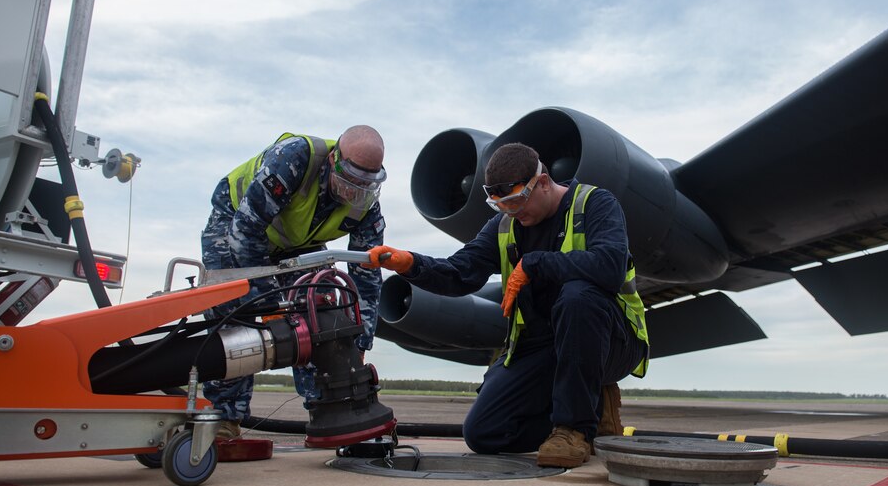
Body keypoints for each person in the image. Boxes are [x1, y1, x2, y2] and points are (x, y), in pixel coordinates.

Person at [366, 142, 648, 468]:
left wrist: (535, 264)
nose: (512, 212)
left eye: (515, 201)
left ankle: (573, 430)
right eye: (501, 205)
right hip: (545, 346)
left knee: (577, 296)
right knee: (484, 433)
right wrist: (410, 264)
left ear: (542, 183)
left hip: (610, 341)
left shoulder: (594, 204)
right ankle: (593, 412)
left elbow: (610, 267)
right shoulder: (505, 225)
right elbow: (461, 273)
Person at [201, 125, 387, 441]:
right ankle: (223, 419)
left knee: (324, 311)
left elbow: (367, 274)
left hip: (298, 244)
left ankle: (331, 411)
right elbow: (245, 234)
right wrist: (268, 304)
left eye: (365, 185)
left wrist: (361, 341)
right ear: (333, 160)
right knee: (236, 317)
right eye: (349, 181)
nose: (355, 192)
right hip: (235, 225)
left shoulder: (367, 205)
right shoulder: (293, 160)